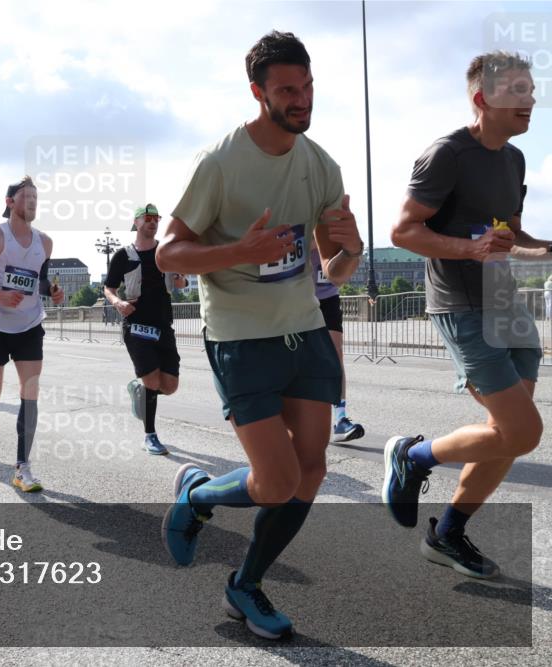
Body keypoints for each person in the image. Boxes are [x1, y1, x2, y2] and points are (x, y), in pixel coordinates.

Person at [156, 32, 363, 639]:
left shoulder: (321, 164)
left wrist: (349, 244)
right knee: (274, 482)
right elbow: (169, 254)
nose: (301, 100)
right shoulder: (219, 163)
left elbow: (333, 269)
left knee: (311, 471)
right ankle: (196, 498)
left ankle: (244, 585)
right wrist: (238, 250)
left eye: (307, 87)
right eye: (287, 91)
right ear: (258, 92)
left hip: (303, 329)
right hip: (241, 337)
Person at [386, 51, 546, 579]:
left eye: (532, 89)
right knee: (523, 432)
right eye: (518, 91)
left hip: (505, 299)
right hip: (461, 303)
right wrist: (471, 250)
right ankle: (415, 457)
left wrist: (546, 247)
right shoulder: (447, 154)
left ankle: (449, 532)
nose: (532, 100)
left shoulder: (514, 160)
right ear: (482, 99)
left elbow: (512, 238)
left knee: (508, 432)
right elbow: (404, 232)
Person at [0, 176, 65, 492]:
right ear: (10, 202)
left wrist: (53, 291)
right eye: (26, 196)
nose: (32, 201)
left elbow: (40, 281)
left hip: (30, 326)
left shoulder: (44, 242)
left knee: (29, 393)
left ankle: (23, 467)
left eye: (36, 196)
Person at [104, 203, 187, 455]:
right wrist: (118, 303)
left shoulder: (166, 251)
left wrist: (180, 278)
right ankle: (150, 435)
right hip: (137, 325)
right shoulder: (123, 255)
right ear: (136, 222)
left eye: (156, 218)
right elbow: (109, 288)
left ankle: (140, 389)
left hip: (163, 325)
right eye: (147, 218)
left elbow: (180, 281)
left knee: (169, 386)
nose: (152, 222)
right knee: (152, 380)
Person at [310, 248, 364, 442]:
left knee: (335, 355)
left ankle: (340, 419)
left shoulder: (336, 221)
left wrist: (352, 252)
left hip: (328, 296)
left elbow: (353, 261)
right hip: (296, 297)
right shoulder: (299, 218)